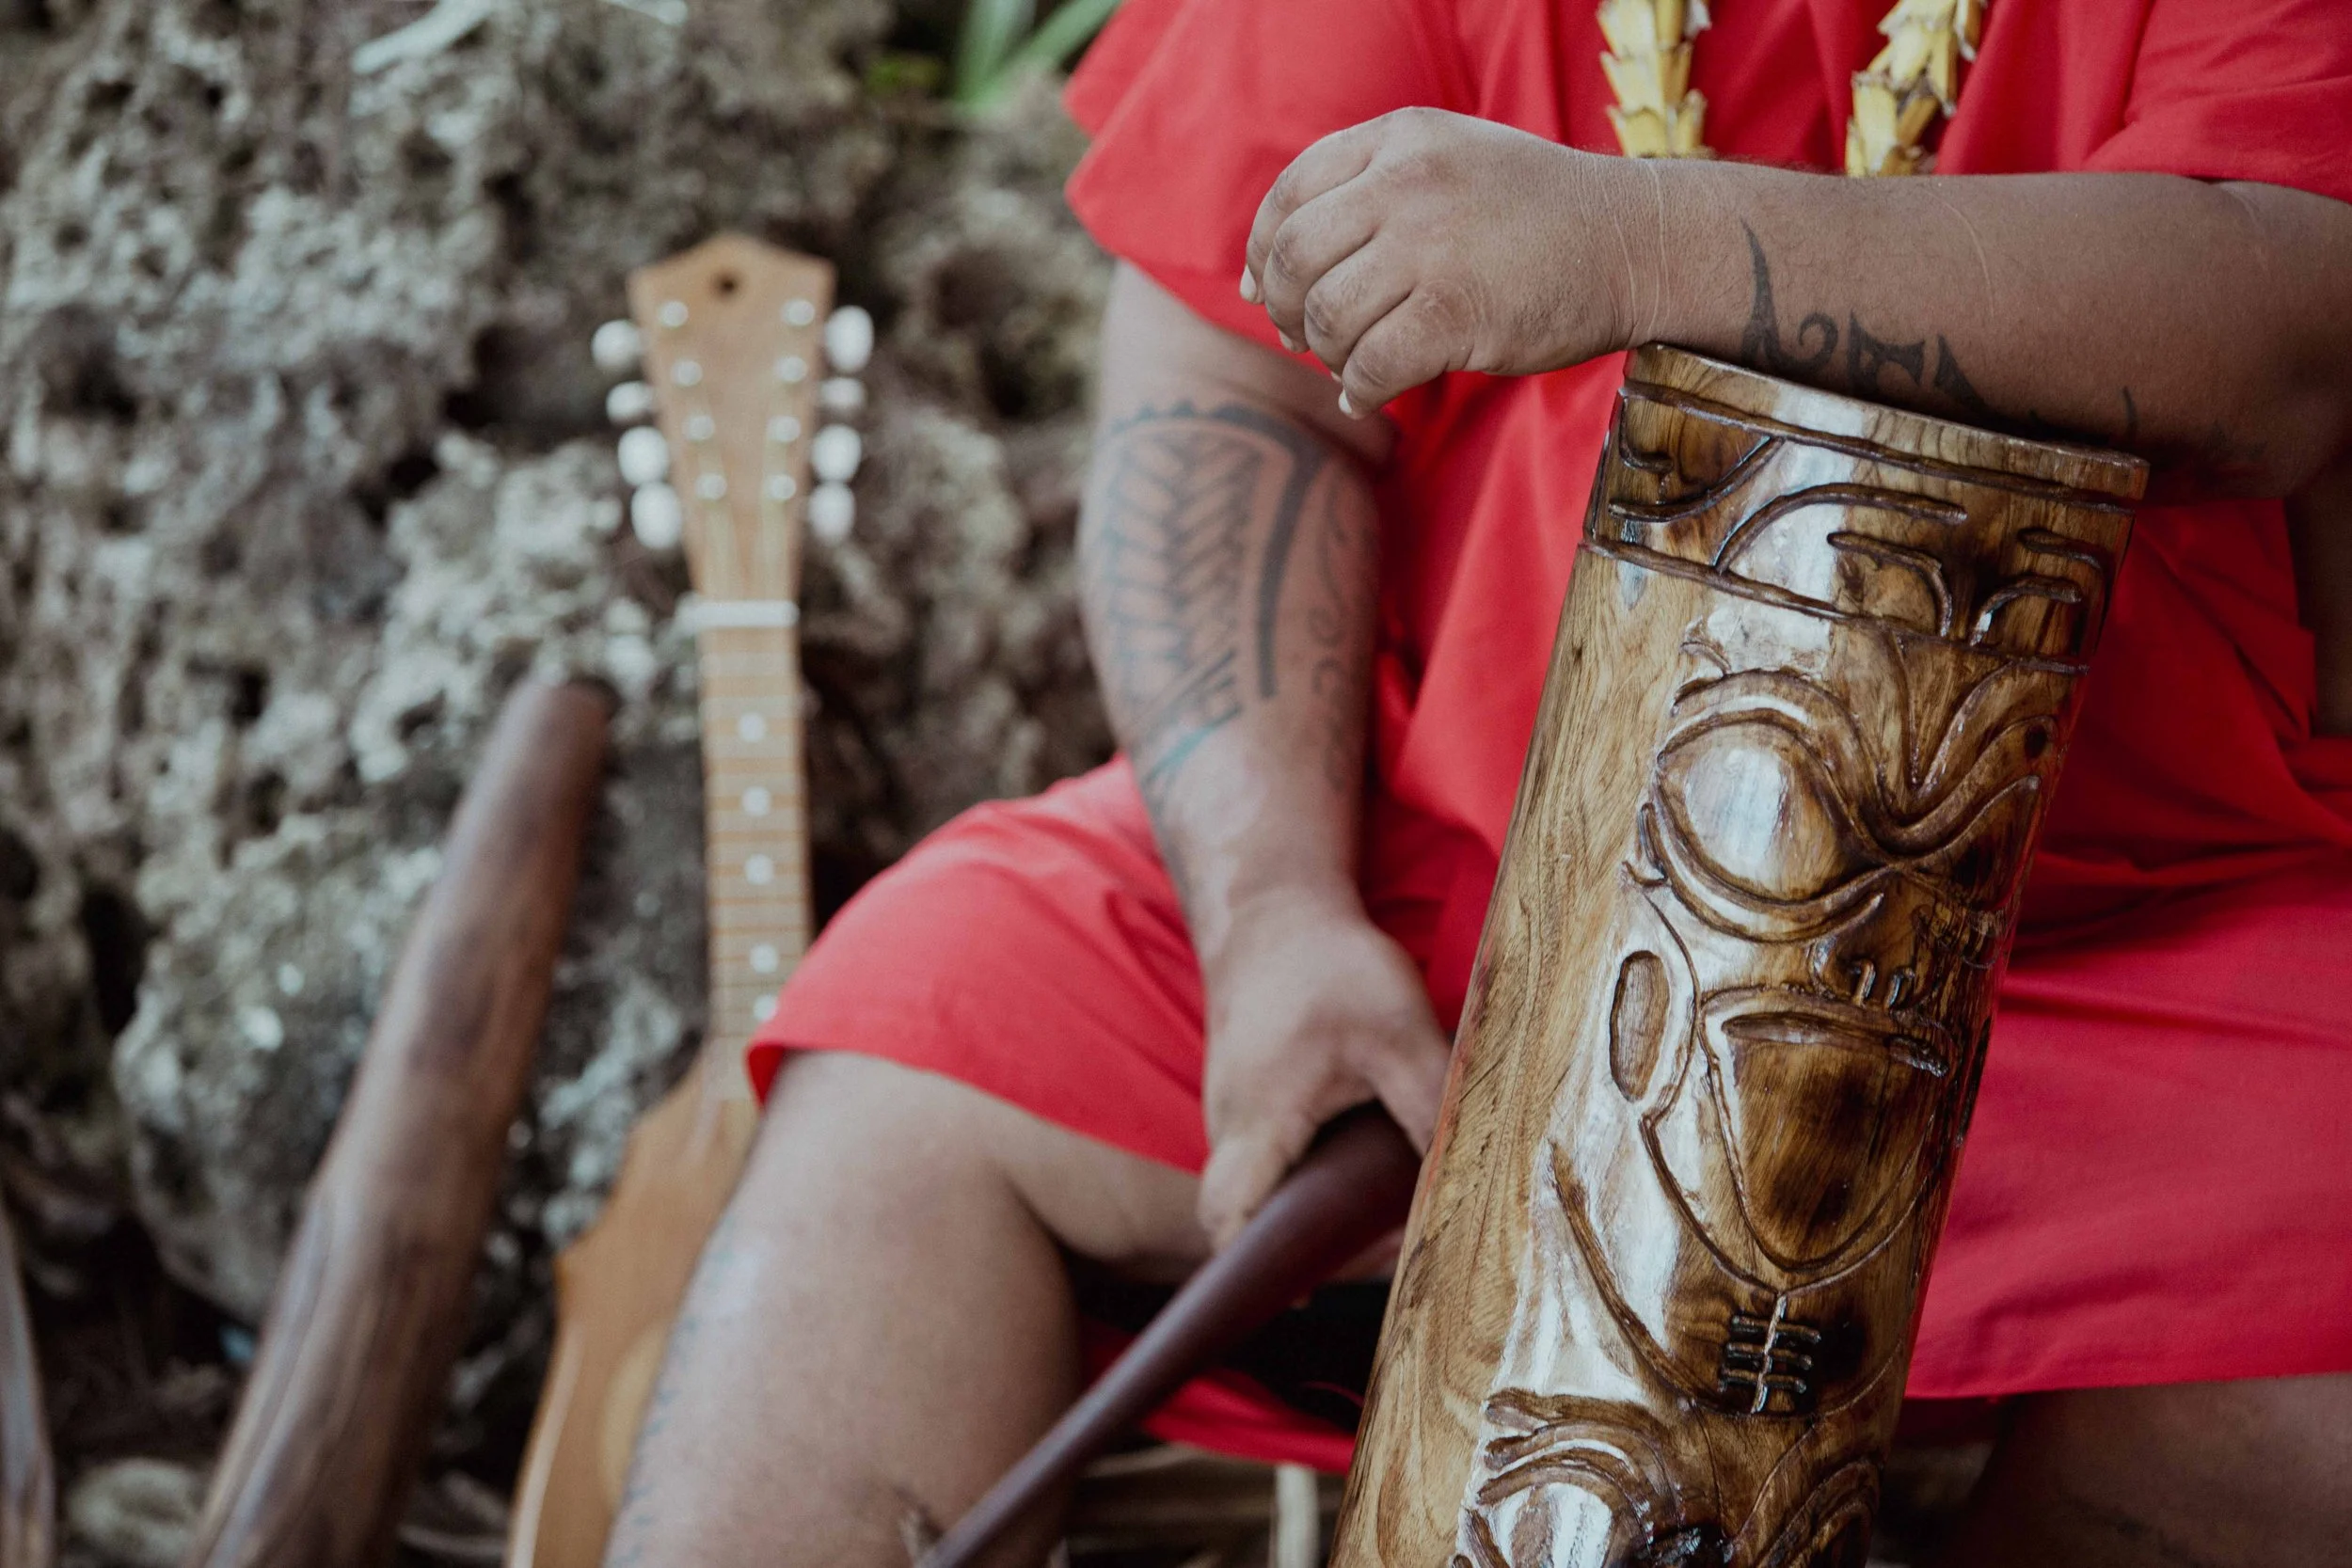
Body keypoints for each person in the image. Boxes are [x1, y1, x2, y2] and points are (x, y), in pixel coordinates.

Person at [603, 2, 2352, 1564]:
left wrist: (1641, 240)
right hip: (1476, 872)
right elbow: (1234, 385)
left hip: (2117, 942)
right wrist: (1272, 908)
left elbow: (2278, 317)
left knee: (2315, 1374)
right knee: (923, 1041)